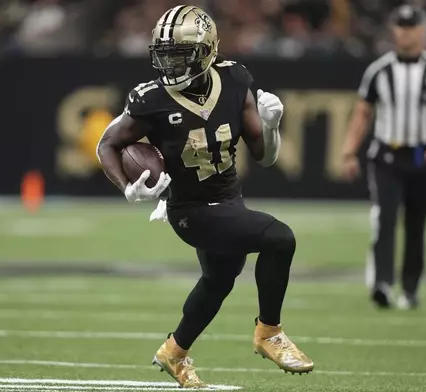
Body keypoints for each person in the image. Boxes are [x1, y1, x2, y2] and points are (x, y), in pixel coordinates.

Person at [97, 5, 313, 388]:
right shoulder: (151, 99)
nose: (170, 66)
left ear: (207, 51)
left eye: (179, 56)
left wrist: (272, 126)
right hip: (189, 210)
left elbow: (265, 157)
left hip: (229, 198)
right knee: (280, 238)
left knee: (219, 280)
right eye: (164, 56)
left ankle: (174, 352)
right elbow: (107, 144)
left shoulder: (233, 80)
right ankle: (269, 332)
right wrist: (127, 188)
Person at [341, 5, 426, 310]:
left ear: (422, 30)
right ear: (394, 30)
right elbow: (362, 114)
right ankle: (382, 283)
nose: (406, 32)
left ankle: (410, 286)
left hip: (422, 154)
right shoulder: (379, 71)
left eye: (412, 26)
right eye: (401, 26)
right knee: (385, 218)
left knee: (416, 223)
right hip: (386, 155)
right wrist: (349, 152)